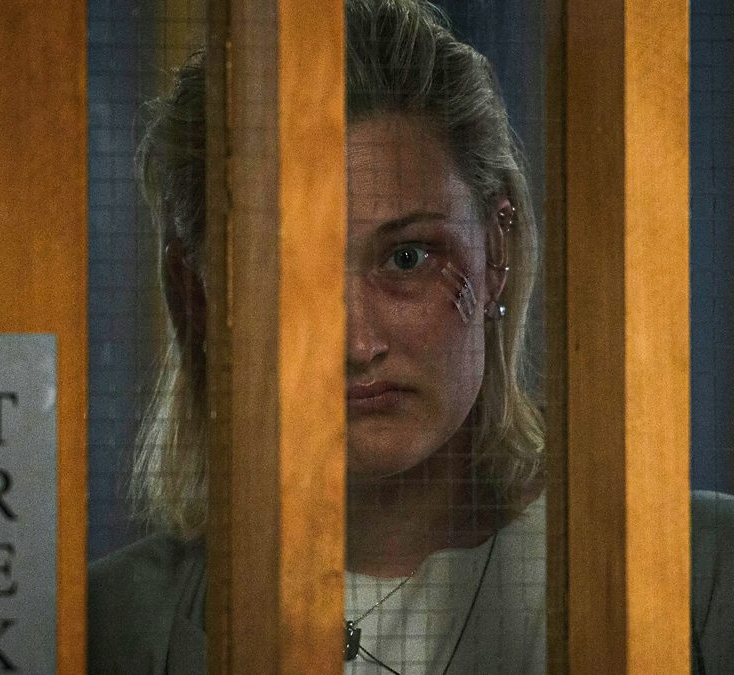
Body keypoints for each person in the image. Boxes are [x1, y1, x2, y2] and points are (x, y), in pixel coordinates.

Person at [88, 1, 734, 673]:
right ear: (197, 294)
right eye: (287, 274)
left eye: (407, 258)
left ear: (496, 250)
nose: (357, 343)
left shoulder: (701, 579)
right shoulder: (111, 628)